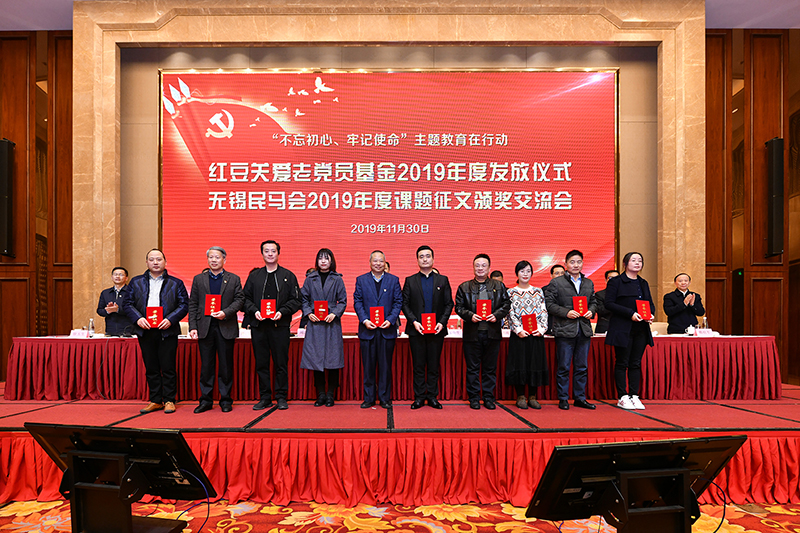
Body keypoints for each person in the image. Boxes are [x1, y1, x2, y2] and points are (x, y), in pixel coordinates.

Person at [123, 249, 189, 414]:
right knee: (151, 367)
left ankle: (169, 400)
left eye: (159, 259)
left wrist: (170, 319)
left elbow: (184, 305)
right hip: (145, 330)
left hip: (167, 330)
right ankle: (155, 400)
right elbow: (127, 303)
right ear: (146, 262)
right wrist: (138, 318)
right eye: (151, 259)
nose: (155, 262)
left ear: (165, 262)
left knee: (168, 367)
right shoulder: (136, 282)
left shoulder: (176, 283)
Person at [242, 240, 301, 411]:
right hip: (259, 326)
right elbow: (244, 299)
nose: (270, 254)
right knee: (261, 363)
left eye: (273, 251)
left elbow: (296, 300)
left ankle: (281, 396)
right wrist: (254, 311)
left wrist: (282, 311)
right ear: (262, 254)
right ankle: (265, 397)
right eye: (266, 251)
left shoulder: (288, 276)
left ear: (278, 253)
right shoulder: (254, 276)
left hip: (279, 326)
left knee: (281, 363)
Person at [187, 246, 244, 414]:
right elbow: (193, 304)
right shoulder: (199, 279)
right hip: (205, 327)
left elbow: (239, 300)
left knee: (226, 366)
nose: (213, 260)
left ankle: (225, 400)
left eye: (217, 257)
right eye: (211, 257)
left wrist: (225, 312)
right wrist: (193, 326)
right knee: (206, 366)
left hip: (225, 326)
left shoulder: (233, 279)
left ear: (224, 259)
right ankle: (205, 400)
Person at [455, 253, 511, 410]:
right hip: (472, 334)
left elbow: (506, 305)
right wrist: (470, 315)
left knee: (490, 368)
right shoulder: (464, 287)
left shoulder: (499, 286)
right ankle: (473, 397)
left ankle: (488, 397)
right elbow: (458, 307)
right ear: (473, 268)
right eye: (477, 265)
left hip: (492, 333)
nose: (480, 268)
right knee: (472, 368)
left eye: (483, 265)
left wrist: (497, 315)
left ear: (489, 268)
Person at [402, 245, 454, 409]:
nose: (425, 259)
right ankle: (419, 397)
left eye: (428, 256)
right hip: (416, 330)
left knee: (433, 365)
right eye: (421, 256)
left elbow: (449, 304)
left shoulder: (442, 280)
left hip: (436, 330)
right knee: (418, 366)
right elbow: (405, 304)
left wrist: (441, 322)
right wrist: (414, 321)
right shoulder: (410, 280)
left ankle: (432, 396)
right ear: (417, 260)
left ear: (433, 259)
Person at [544, 250, 597, 410]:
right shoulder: (556, 282)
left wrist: (591, 311)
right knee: (564, 367)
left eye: (579, 262)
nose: (576, 265)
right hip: (564, 330)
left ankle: (580, 398)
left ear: (582, 263)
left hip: (584, 330)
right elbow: (549, 304)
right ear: (566, 264)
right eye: (572, 262)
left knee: (582, 367)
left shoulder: (588, 283)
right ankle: (563, 398)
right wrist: (566, 312)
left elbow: (594, 302)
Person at [604, 252, 654, 410]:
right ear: (625, 264)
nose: (637, 263)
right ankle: (622, 396)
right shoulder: (616, 281)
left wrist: (650, 314)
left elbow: (649, 303)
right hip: (622, 328)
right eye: (633, 260)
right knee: (622, 362)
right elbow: (609, 303)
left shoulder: (643, 283)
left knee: (635, 363)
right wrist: (630, 313)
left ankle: (634, 395)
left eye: (640, 260)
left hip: (641, 329)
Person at [354, 250, 403, 409]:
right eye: (375, 260)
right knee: (368, 366)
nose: (378, 263)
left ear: (385, 263)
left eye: (381, 261)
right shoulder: (361, 280)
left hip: (386, 331)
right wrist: (365, 320)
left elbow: (398, 302)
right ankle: (368, 398)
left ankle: (384, 397)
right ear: (370, 263)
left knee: (385, 366)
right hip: (367, 330)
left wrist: (390, 320)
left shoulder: (393, 280)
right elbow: (357, 302)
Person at [300, 248, 347, 407]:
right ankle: (320, 394)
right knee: (316, 359)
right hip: (315, 323)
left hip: (331, 323)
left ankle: (330, 395)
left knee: (333, 360)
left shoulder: (337, 279)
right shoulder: (310, 279)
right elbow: (303, 299)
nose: (323, 261)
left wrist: (335, 313)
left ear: (331, 261)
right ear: (317, 261)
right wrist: (308, 313)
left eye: (326, 258)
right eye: (320, 258)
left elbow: (343, 301)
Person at [506, 260, 549, 409]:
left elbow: (543, 311)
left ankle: (532, 396)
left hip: (535, 334)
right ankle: (520, 396)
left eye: (528, 271)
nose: (525, 274)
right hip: (519, 335)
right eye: (522, 271)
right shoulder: (511, 292)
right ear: (517, 273)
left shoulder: (538, 291)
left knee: (535, 364)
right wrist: (518, 330)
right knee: (519, 364)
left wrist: (541, 329)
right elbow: (510, 313)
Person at [96, 266, 134, 336]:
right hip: (110, 331)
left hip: (128, 331)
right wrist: (108, 310)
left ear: (126, 278)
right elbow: (99, 310)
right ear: (112, 277)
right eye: (115, 274)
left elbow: (135, 309)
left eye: (121, 275)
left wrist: (118, 310)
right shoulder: (105, 293)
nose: (117, 276)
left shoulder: (131, 292)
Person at [594, 269, 620, 334]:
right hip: (605, 327)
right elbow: (601, 310)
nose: (614, 280)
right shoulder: (599, 294)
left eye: (616, 278)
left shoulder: (624, 294)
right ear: (606, 280)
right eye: (610, 278)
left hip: (622, 327)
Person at [543, 264, 565, 336]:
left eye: (562, 273)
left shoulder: (571, 290)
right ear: (551, 275)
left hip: (566, 326)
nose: (560, 275)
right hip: (550, 324)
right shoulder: (544, 290)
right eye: (557, 273)